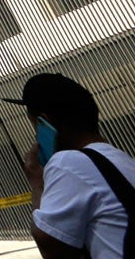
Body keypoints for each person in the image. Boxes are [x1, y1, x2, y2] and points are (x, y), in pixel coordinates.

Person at [18, 71, 135, 259]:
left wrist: (38, 183)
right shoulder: (122, 159)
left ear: (45, 123)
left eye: (36, 128)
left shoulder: (67, 162)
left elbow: (51, 249)